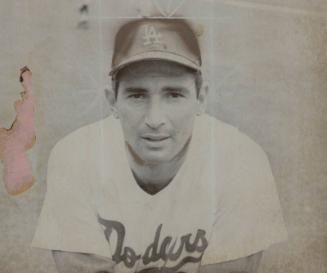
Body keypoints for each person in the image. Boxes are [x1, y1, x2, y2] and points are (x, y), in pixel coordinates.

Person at [32, 18, 287, 273]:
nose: (155, 119)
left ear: (201, 98)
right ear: (112, 101)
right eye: (137, 95)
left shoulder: (241, 161)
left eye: (174, 95)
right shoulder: (76, 156)